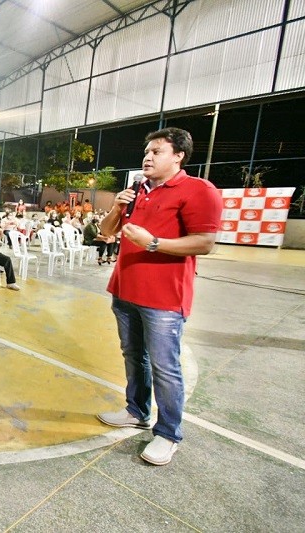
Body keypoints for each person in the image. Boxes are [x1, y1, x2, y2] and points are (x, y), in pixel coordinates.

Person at [96, 127, 222, 466]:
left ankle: (168, 433)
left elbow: (204, 242)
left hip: (164, 298)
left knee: (165, 367)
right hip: (124, 290)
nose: (147, 157)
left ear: (178, 156)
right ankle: (136, 410)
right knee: (132, 355)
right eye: (146, 152)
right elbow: (106, 234)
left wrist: (153, 243)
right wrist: (116, 207)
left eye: (157, 151)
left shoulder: (198, 190)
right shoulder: (137, 192)